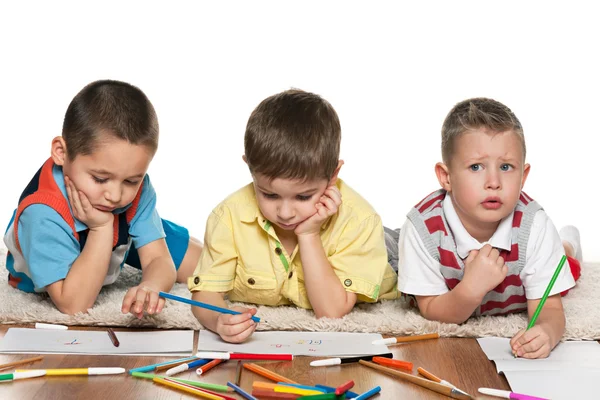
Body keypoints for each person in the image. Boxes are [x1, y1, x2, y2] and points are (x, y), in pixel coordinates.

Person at [189, 89, 398, 343]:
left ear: (333, 175)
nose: (285, 213)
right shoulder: (227, 217)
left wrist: (308, 234)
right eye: (269, 195)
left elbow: (330, 312)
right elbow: (205, 295)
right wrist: (217, 320)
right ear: (250, 170)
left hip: (389, 253)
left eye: (303, 197)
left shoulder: (361, 221)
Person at [397, 97, 582, 359]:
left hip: (535, 265)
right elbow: (431, 310)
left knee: (568, 269)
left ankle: (568, 243)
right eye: (476, 167)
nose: (493, 182)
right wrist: (470, 289)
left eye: (506, 167)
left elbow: (550, 309)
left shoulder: (535, 226)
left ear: (523, 177)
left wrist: (546, 331)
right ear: (446, 177)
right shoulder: (421, 229)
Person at [4, 80, 202, 317]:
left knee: (211, 266)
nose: (115, 196)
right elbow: (73, 304)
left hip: (118, 239)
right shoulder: (42, 214)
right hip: (61, 252)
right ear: (61, 152)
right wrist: (101, 227)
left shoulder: (128, 193)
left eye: (131, 181)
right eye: (100, 179)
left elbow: (159, 258)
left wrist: (151, 286)